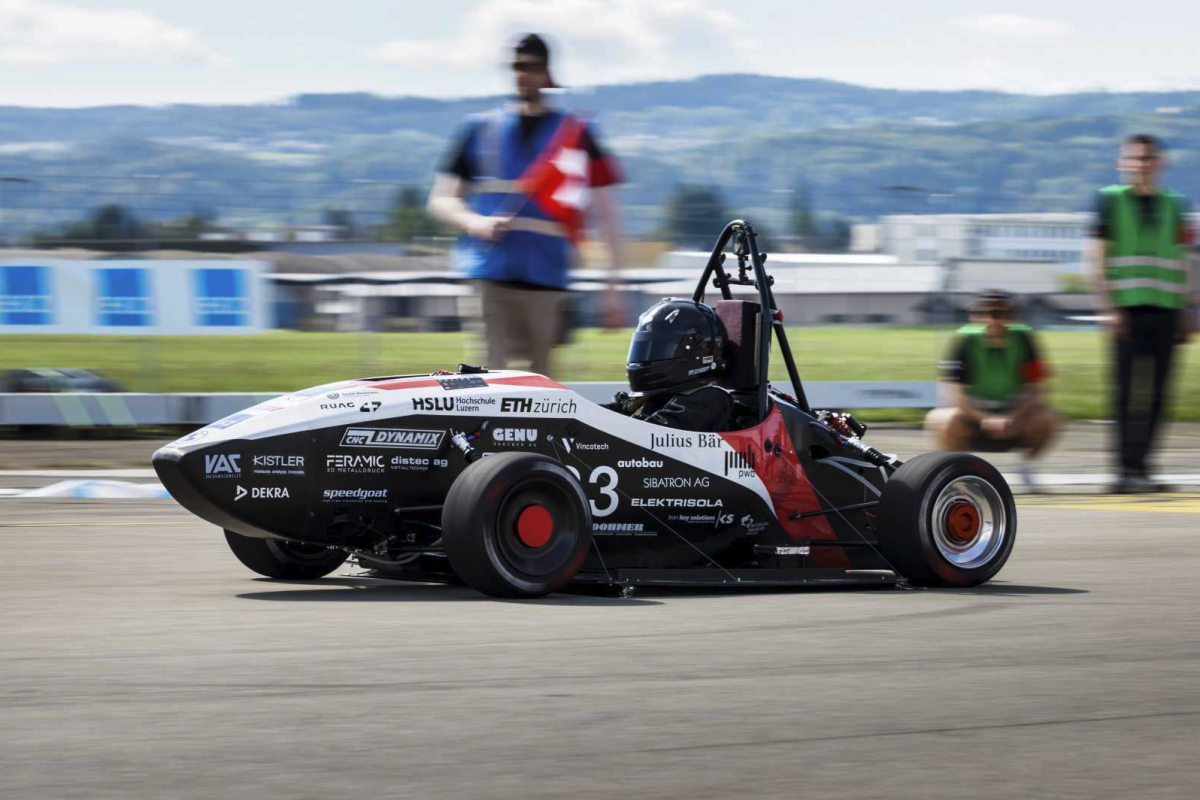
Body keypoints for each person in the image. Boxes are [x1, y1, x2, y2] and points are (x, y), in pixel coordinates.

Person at [427, 33, 624, 378]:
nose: (523, 74)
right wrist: (475, 223)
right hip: (489, 272)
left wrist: (612, 286)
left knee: (540, 383)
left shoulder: (574, 134)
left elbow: (606, 212)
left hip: (547, 276)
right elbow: (442, 199)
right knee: (488, 377)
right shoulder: (478, 129)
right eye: (517, 66)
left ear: (547, 73)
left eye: (531, 67)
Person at [1089, 134, 1197, 493]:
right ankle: (1123, 472)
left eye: (1148, 158)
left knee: (1159, 396)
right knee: (1125, 394)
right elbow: (1097, 259)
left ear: (1161, 163)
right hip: (1127, 312)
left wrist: (1189, 310)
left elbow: (1188, 260)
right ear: (1122, 163)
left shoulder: (1176, 205)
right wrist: (1109, 308)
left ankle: (1144, 469)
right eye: (1135, 158)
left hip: (1167, 311)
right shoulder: (1109, 201)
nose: (1142, 165)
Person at [925, 291, 1058, 488]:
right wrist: (985, 419)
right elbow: (953, 394)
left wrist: (1013, 416)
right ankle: (959, 473)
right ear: (976, 316)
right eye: (987, 313)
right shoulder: (965, 340)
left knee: (1047, 418)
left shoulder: (1024, 338)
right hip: (973, 417)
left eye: (1002, 314)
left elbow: (1038, 389)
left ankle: (1027, 468)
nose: (994, 320)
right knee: (942, 420)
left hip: (1015, 417)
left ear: (1012, 317)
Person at [606, 298, 735, 432]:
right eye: (644, 348)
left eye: (660, 349)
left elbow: (653, 433)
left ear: (696, 352)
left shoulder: (710, 398)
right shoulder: (658, 394)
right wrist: (616, 410)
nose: (649, 355)